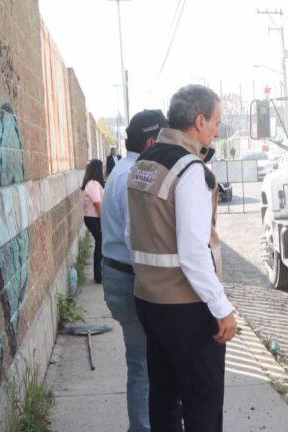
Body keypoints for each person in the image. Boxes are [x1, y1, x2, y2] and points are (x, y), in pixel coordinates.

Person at [127, 84, 236, 431]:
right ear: (199, 122)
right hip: (186, 309)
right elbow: (193, 253)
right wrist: (221, 308)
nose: (217, 130)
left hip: (149, 301)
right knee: (202, 407)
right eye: (216, 122)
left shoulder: (145, 162)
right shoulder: (190, 171)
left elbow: (133, 233)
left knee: (163, 400)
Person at [101, 109, 167, 432]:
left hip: (118, 274)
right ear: (152, 141)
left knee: (139, 361)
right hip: (130, 279)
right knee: (142, 365)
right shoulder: (135, 176)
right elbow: (135, 239)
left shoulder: (122, 170)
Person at [81, 159, 105, 283]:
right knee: (100, 244)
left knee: (100, 244)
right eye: (102, 168)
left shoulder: (94, 183)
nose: (104, 170)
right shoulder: (93, 183)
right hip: (94, 218)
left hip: (94, 218)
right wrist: (104, 220)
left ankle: (99, 273)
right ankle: (98, 275)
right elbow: (97, 203)